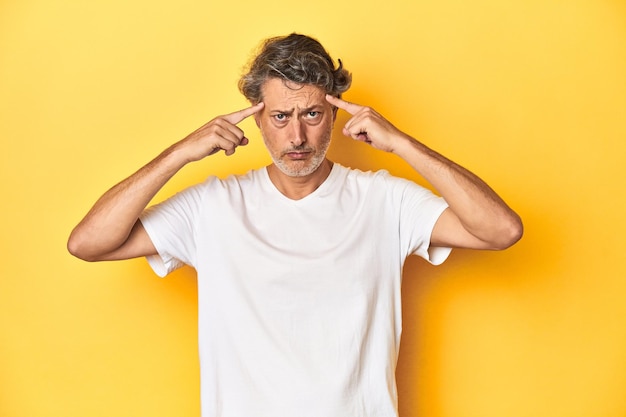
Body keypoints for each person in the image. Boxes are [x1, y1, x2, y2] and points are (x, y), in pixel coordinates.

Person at [68, 33, 522, 417]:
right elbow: (88, 242)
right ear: (257, 116)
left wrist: (402, 144)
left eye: (312, 114)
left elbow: (501, 231)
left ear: (335, 114)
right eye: (281, 116)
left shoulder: (384, 200)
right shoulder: (213, 205)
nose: (297, 137)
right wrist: (180, 153)